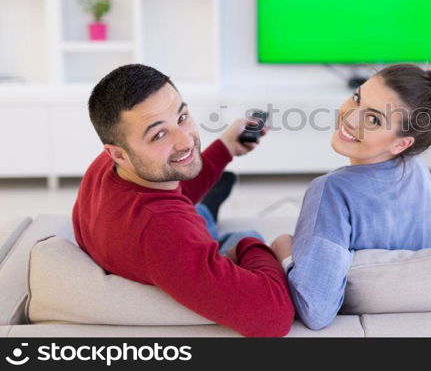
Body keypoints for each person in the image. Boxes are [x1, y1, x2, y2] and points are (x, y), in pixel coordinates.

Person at [72, 64, 294, 337]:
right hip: (175, 247)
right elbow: (274, 317)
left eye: (182, 117)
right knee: (244, 232)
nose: (185, 141)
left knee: (196, 201)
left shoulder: (109, 165)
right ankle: (211, 210)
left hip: (154, 242)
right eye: (159, 134)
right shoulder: (164, 231)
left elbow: (171, 194)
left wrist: (225, 147)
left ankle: (208, 204)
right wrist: (247, 246)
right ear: (118, 154)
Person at [270, 60, 431, 329]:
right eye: (356, 99)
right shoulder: (418, 170)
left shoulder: (332, 191)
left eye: (374, 119)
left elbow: (315, 309)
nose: (350, 118)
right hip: (413, 318)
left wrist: (283, 247)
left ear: (402, 143)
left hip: (364, 317)